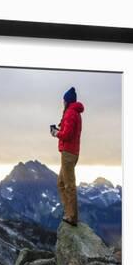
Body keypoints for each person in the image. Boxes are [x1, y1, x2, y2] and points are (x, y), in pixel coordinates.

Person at [50, 87, 85, 226]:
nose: (62, 103)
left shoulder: (70, 113)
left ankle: (72, 217)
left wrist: (56, 133)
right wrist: (59, 131)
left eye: (64, 100)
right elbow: (68, 132)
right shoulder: (75, 113)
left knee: (69, 185)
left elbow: (67, 135)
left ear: (67, 101)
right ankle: (69, 212)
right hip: (71, 152)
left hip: (68, 153)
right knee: (60, 183)